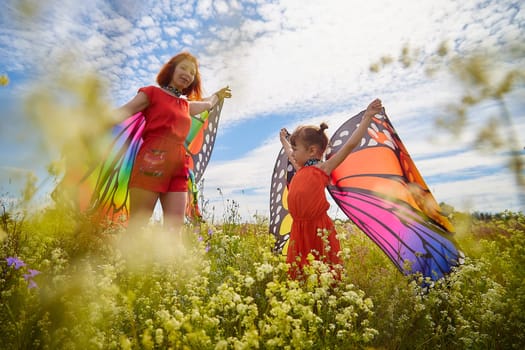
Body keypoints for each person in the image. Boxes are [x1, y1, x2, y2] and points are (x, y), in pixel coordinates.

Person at [116, 51, 231, 231]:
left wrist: (218, 95)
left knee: (174, 230)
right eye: (183, 68)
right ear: (172, 70)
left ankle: (169, 260)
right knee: (137, 228)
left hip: (179, 165)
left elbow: (208, 104)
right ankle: (126, 259)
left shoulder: (186, 106)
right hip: (151, 161)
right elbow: (122, 113)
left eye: (192, 73)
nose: (187, 74)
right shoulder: (151, 93)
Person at [279, 98, 383, 279]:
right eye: (293, 149)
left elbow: (349, 145)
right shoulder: (301, 169)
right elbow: (290, 154)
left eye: (296, 149)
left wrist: (367, 117)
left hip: (317, 228)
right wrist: (285, 141)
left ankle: (326, 298)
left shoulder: (323, 169)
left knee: (322, 268)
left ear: (311, 151)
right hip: (299, 228)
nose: (292, 154)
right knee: (300, 271)